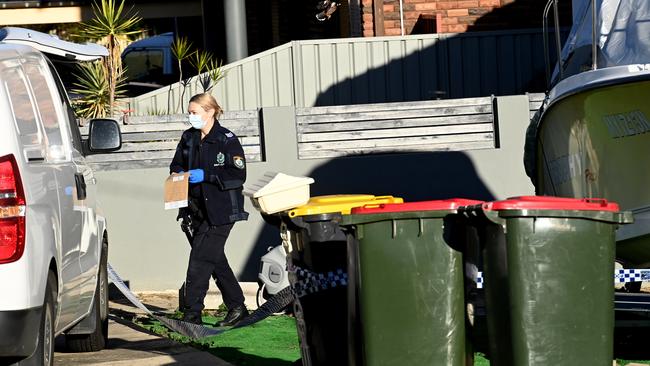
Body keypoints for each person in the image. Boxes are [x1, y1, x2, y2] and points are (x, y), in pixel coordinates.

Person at [169, 93, 249, 326]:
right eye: (189, 112)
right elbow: (176, 164)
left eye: (194, 112)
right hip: (197, 210)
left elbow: (238, 175)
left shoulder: (226, 140)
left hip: (222, 211)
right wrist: (177, 176)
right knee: (214, 260)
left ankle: (192, 314)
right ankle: (237, 306)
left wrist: (208, 176)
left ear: (210, 111)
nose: (190, 116)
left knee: (200, 260)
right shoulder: (189, 138)